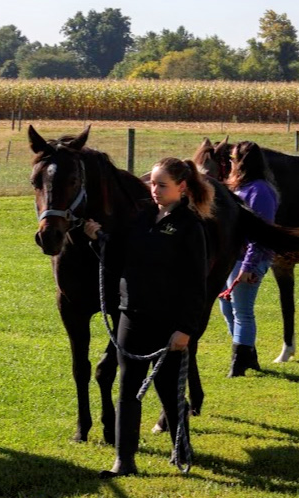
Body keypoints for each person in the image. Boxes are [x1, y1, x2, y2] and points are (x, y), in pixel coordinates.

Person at [83, 157, 210, 478]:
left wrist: (185, 330)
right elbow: (120, 260)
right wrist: (98, 238)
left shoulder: (189, 226)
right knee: (127, 389)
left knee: (168, 390)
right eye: (152, 183)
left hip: (167, 325)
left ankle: (181, 446)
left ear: (182, 187)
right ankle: (124, 462)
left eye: (161, 185)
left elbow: (197, 284)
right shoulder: (143, 219)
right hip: (131, 318)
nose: (154, 190)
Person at [218, 141, 278, 377]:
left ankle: (239, 364)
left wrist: (249, 266)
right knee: (226, 306)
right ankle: (247, 353)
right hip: (231, 257)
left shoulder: (260, 191)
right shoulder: (239, 188)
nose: (230, 164)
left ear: (241, 162)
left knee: (242, 310)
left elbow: (260, 233)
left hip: (248, 259)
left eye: (232, 160)